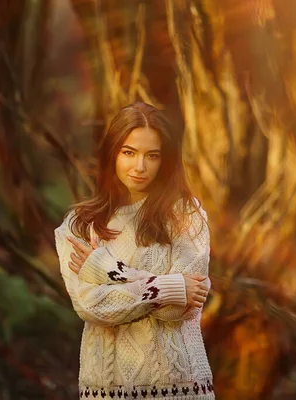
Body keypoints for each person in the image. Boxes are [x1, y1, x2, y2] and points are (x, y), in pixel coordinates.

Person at [54, 102, 215, 399]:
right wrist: (169, 286)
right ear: (112, 152)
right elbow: (90, 306)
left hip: (178, 386)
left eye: (152, 156)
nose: (139, 167)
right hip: (106, 387)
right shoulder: (79, 226)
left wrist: (104, 268)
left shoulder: (186, 216)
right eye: (129, 152)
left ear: (165, 160)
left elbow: (177, 308)